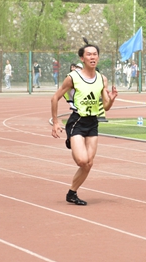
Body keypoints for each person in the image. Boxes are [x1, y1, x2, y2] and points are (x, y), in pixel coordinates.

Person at [51, 42, 118, 205]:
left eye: (95, 54)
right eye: (89, 54)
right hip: (77, 121)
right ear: (82, 58)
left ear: (98, 57)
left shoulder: (102, 79)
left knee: (88, 163)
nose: (92, 57)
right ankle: (72, 140)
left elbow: (106, 107)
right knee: (82, 161)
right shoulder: (73, 77)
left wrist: (111, 99)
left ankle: (72, 193)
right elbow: (55, 98)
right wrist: (55, 122)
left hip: (93, 122)